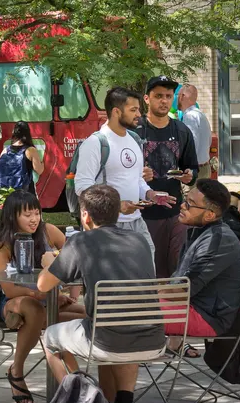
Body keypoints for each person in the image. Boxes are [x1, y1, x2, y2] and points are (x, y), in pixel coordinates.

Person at [37, 184, 167, 403]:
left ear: (85, 215)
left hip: (106, 341)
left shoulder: (81, 241)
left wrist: (49, 261)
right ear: (118, 212)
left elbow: (44, 285)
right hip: (153, 339)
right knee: (123, 323)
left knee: (50, 338)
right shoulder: (139, 240)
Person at [0, 190, 85, 403]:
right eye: (27, 215)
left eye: (37, 213)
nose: (34, 219)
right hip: (16, 304)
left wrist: (69, 293)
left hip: (49, 302)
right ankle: (17, 370)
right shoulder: (2, 245)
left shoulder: (48, 231)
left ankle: (74, 380)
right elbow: (9, 290)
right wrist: (44, 294)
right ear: (12, 216)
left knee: (85, 312)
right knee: (33, 307)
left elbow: (75, 258)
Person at [73, 86, 168, 260]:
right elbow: (82, 186)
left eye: (138, 109)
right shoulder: (95, 143)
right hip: (107, 225)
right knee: (115, 276)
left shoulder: (134, 139)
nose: (139, 114)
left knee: (146, 265)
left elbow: (136, 179)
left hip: (137, 221)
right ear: (116, 112)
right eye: (133, 110)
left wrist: (150, 193)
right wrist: (116, 206)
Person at [168, 180, 240, 356]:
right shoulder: (200, 231)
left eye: (189, 204)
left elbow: (182, 290)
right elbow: (177, 281)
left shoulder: (216, 241)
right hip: (191, 307)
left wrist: (141, 296)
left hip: (208, 318)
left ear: (210, 215)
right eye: (184, 200)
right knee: (118, 306)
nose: (182, 206)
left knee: (124, 311)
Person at [137, 76, 198, 278]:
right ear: (147, 99)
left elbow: (192, 168)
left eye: (168, 96)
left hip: (175, 212)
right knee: (151, 272)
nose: (164, 101)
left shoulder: (182, 130)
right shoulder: (134, 131)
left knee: (178, 268)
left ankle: (175, 307)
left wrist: (190, 176)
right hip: (144, 215)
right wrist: (137, 175)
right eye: (158, 96)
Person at [0, 121, 44, 193]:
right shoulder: (30, 150)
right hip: (25, 193)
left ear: (14, 133)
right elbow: (39, 170)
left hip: (8, 193)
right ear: (28, 133)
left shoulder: (5, 151)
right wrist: (43, 164)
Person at [178, 84, 213, 179]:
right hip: (205, 167)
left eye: (178, 95)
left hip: (194, 171)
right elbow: (209, 141)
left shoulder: (189, 116)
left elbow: (191, 145)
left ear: (182, 96)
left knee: (189, 194)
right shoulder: (200, 115)